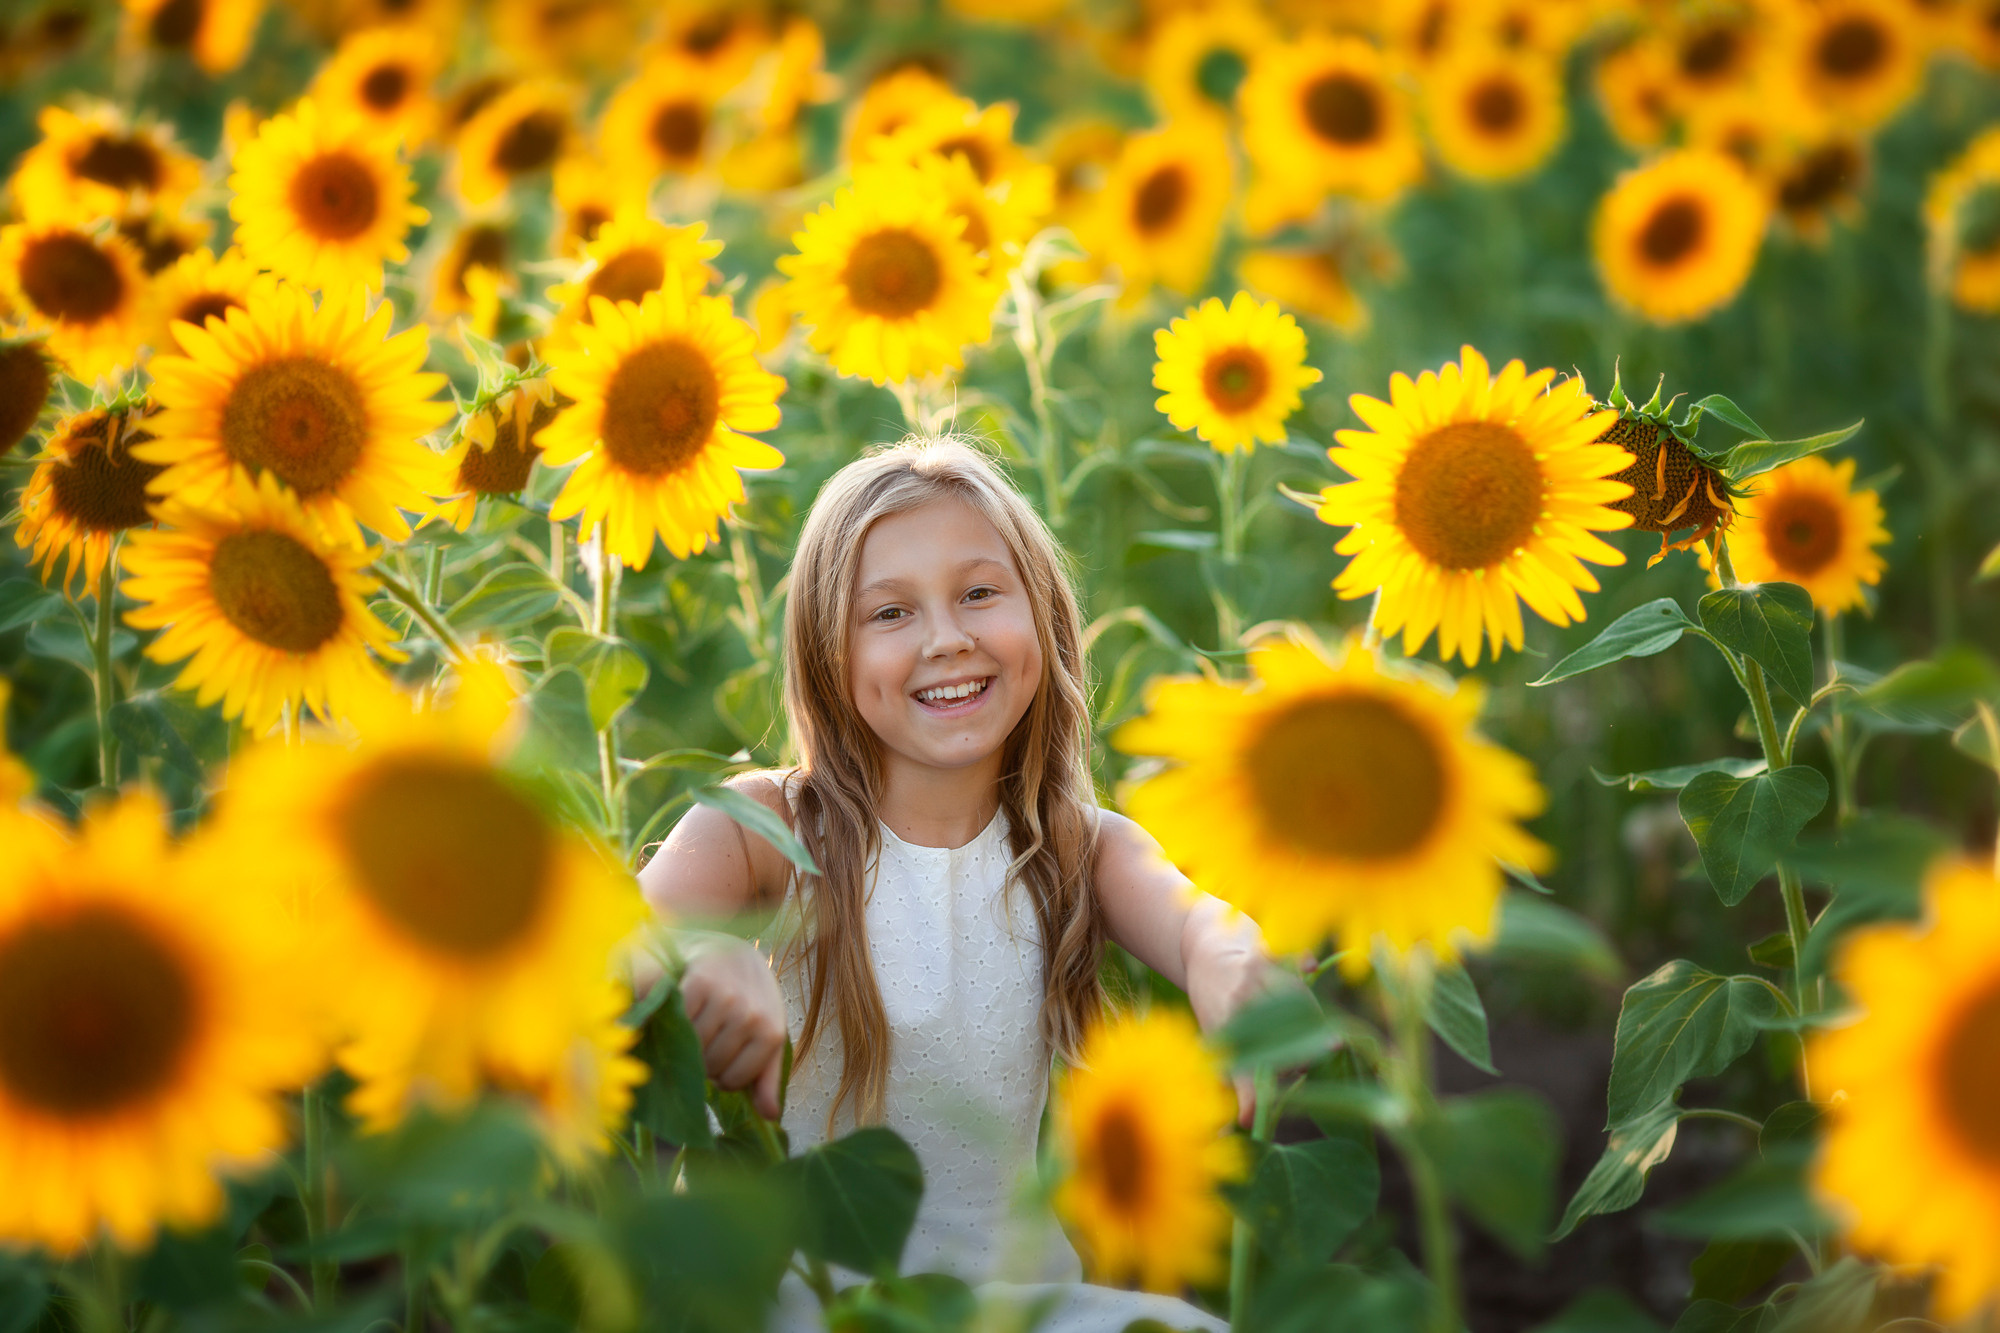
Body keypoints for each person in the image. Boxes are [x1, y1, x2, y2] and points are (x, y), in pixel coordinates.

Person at [637, 436, 1274, 1331]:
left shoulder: (1072, 846)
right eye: (890, 613)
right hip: (804, 1298)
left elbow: (1197, 919)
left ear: (1044, 618)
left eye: (979, 592)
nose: (947, 637)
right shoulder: (768, 827)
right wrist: (698, 955)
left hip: (1018, 1302)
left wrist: (1224, 962)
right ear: (830, 653)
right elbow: (614, 945)